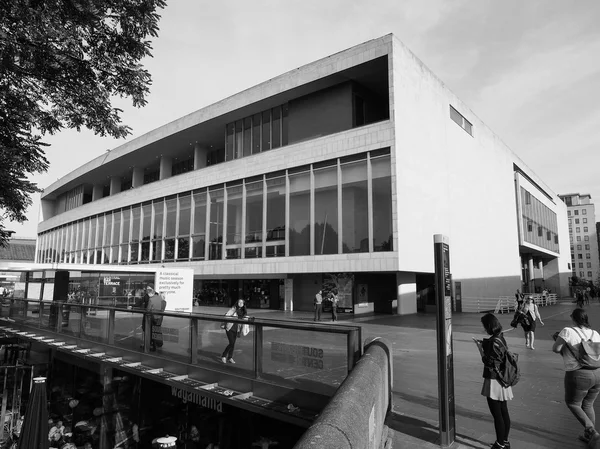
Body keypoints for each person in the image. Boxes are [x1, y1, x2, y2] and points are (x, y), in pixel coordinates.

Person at [552, 308, 600, 445]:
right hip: (597, 373)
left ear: (573, 318)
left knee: (573, 403)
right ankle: (589, 436)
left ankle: (592, 432)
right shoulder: (595, 333)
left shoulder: (568, 331)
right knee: (588, 403)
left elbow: (556, 349)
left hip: (578, 374)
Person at [473, 313, 513, 449]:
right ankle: (505, 441)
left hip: (493, 380)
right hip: (503, 379)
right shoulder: (501, 338)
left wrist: (480, 349)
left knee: (497, 415)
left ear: (488, 326)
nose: (483, 328)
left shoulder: (491, 342)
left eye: (484, 326)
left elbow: (488, 362)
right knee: (504, 411)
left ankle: (499, 444)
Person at [221, 299, 248, 364]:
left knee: (233, 344)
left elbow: (244, 318)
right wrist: (234, 317)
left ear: (244, 304)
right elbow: (227, 316)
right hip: (230, 327)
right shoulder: (233, 309)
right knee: (231, 343)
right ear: (237, 303)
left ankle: (230, 357)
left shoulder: (243, 311)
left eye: (242, 302)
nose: (241, 303)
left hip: (237, 329)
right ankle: (224, 355)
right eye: (239, 302)